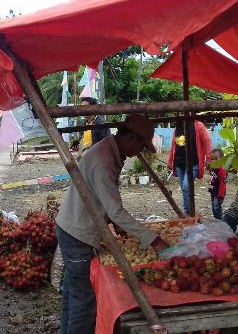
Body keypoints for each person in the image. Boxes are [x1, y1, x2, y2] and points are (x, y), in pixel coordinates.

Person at [55, 114, 169, 334]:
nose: (140, 152)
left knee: (74, 292)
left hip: (73, 229)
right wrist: (153, 240)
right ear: (133, 139)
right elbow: (115, 211)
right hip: (77, 235)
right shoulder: (103, 161)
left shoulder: (107, 152)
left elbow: (105, 202)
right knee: (84, 300)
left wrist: (115, 223)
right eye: (142, 146)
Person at [167, 120, 212, 214]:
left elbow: (207, 141)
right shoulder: (177, 128)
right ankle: (187, 212)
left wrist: (209, 158)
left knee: (186, 186)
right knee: (184, 189)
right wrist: (170, 161)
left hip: (193, 163)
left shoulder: (198, 125)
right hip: (179, 163)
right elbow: (173, 145)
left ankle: (189, 212)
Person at [208, 148, 228, 220]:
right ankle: (218, 219)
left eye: (216, 159)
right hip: (213, 191)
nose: (213, 161)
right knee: (214, 208)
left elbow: (223, 183)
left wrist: (221, 194)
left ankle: (222, 221)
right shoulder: (212, 168)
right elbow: (212, 178)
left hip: (219, 193)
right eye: (212, 159)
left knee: (217, 207)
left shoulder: (222, 170)